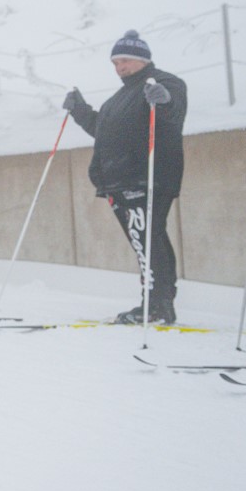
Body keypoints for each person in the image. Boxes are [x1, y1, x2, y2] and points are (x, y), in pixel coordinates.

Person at [63, 30, 188, 324]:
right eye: (116, 62)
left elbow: (173, 110)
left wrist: (165, 100)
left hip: (145, 177)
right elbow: (102, 130)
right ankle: (158, 304)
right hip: (118, 182)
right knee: (146, 240)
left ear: (143, 59)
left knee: (146, 240)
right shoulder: (118, 99)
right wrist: (79, 110)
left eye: (126, 61)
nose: (120, 67)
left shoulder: (162, 82)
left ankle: (157, 307)